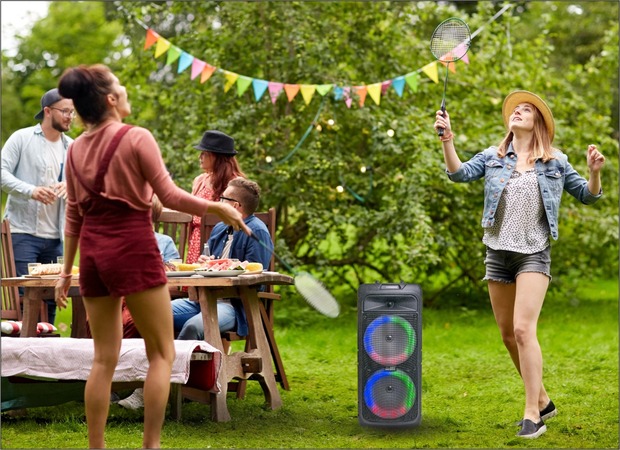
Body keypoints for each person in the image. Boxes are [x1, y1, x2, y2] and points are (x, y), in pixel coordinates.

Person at [54, 64, 249, 449]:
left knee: (103, 359)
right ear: (111, 99)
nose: (125, 89)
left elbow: (74, 215)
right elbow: (171, 195)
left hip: (93, 257)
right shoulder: (136, 137)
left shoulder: (75, 148)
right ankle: (151, 445)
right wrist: (219, 208)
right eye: (119, 84)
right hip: (133, 249)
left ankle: (96, 447)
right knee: (161, 353)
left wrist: (65, 273)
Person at [434, 90, 605, 439]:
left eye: (526, 110)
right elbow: (458, 174)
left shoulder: (556, 161)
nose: (518, 112)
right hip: (497, 252)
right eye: (516, 109)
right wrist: (447, 139)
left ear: (537, 122)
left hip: (533, 251)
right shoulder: (493, 156)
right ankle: (543, 399)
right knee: (508, 335)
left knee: (524, 330)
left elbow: (587, 196)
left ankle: (532, 414)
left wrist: (594, 173)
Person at [118, 177, 273, 410]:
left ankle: (158, 389)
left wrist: (229, 267)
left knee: (193, 326)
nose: (218, 202)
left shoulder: (257, 231)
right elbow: (209, 265)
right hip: (202, 300)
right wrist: (206, 262)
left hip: (234, 305)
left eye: (223, 198)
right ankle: (138, 379)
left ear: (236, 205)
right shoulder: (220, 229)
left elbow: (256, 277)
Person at [1, 88, 74, 324]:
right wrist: (31, 191)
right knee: (25, 299)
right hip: (22, 233)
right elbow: (2, 173)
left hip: (56, 237)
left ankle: (46, 344)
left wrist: (71, 186)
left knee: (51, 299)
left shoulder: (72, 147)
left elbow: (87, 183)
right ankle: (18, 346)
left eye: (72, 112)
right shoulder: (21, 138)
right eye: (65, 111)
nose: (70, 117)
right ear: (47, 111)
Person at [185, 130, 245, 264]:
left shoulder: (235, 183)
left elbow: (242, 216)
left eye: (204, 153)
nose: (200, 157)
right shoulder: (200, 180)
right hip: (196, 241)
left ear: (217, 157)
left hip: (221, 243)